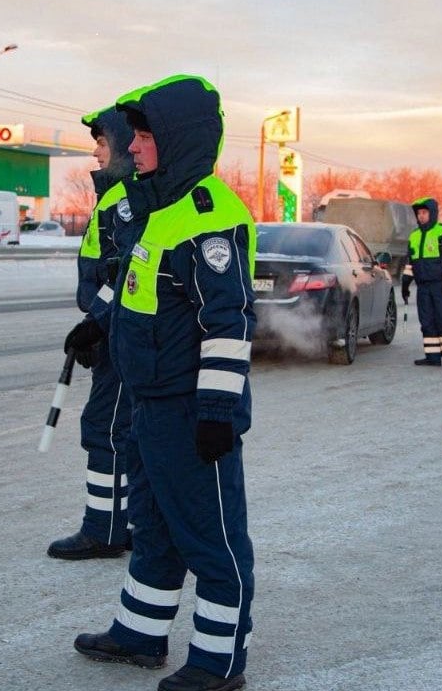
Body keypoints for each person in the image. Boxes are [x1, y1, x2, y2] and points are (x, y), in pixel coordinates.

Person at [65, 75, 257, 691]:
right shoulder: (157, 207)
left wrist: (216, 412)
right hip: (149, 403)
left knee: (212, 538)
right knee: (154, 526)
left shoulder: (209, 214)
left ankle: (218, 662)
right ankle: (140, 634)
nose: (135, 146)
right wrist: (101, 327)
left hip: (190, 411)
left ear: (178, 140)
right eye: (136, 135)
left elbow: (227, 322)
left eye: (146, 135)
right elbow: (140, 293)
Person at [47, 106, 137, 560]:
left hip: (123, 335)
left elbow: (123, 277)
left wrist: (93, 323)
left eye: (102, 144)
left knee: (105, 430)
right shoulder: (115, 197)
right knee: (126, 431)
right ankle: (127, 523)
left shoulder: (125, 202)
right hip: (115, 332)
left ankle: (103, 530)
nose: (95, 153)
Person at [400, 197, 442, 366]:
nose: (421, 216)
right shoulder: (414, 236)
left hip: (441, 286)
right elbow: (411, 262)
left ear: (432, 213)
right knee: (426, 322)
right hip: (423, 287)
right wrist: (406, 282)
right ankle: (433, 357)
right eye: (419, 213)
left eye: (424, 213)